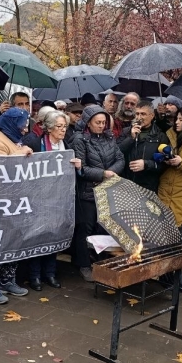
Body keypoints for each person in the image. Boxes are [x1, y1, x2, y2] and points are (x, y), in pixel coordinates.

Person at [0, 108, 33, 304]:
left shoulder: (14, 138)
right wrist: (20, 153)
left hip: (14, 201)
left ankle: (6, 279)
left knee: (12, 241)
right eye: (22, 124)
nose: (25, 128)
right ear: (11, 123)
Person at [72, 105, 125, 282]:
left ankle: (100, 261)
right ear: (88, 123)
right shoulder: (80, 139)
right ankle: (83, 264)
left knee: (102, 227)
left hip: (105, 191)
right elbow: (81, 168)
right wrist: (102, 174)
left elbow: (120, 158)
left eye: (104, 122)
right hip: (87, 192)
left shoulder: (109, 137)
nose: (101, 126)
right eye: (98, 122)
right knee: (85, 228)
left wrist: (109, 172)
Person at [23, 110, 73, 291]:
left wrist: (77, 166)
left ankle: (50, 273)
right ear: (49, 128)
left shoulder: (66, 145)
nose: (63, 130)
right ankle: (35, 276)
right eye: (59, 126)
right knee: (37, 236)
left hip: (58, 199)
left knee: (53, 236)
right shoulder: (37, 143)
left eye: (65, 126)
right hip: (38, 198)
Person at [118, 101, 169, 193]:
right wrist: (131, 138)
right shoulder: (126, 132)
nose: (139, 117)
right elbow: (116, 152)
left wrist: (146, 164)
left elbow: (164, 164)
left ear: (152, 115)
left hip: (147, 186)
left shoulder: (160, 136)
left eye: (143, 114)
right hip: (126, 184)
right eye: (137, 114)